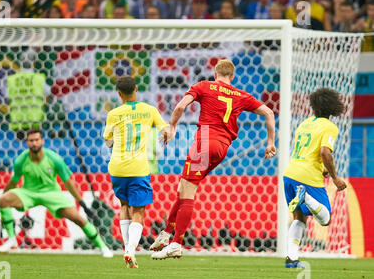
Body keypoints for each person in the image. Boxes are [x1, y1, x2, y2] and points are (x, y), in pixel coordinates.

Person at [150, 59, 276, 259]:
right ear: (232, 77)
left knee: (188, 191)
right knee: (183, 188)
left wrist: (172, 127)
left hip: (205, 141)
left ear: (215, 74)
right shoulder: (241, 95)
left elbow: (181, 107)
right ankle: (166, 233)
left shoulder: (204, 86)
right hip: (223, 147)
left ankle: (176, 243)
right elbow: (269, 112)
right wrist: (270, 142)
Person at [0, 128, 113, 257]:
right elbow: (13, 182)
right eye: (31, 140)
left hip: (52, 194)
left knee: (78, 219)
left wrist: (82, 204)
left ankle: (103, 247)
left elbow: (68, 182)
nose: (34, 143)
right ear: (27, 142)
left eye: (36, 140)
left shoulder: (54, 158)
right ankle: (11, 240)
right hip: (28, 192)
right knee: (4, 200)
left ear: (42, 141)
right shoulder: (21, 160)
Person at [103, 76, 170, 268]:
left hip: (116, 168)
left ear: (119, 94)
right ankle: (131, 249)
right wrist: (166, 135)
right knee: (138, 212)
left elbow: (108, 141)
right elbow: (165, 129)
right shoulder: (149, 110)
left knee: (124, 206)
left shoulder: (113, 114)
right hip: (138, 168)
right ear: (136, 89)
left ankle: (126, 248)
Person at [283, 88, 346, 268]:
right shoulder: (330, 127)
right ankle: (306, 196)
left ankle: (292, 259)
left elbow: (308, 152)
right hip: (307, 177)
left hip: (290, 173)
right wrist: (335, 177)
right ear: (334, 106)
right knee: (325, 219)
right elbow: (325, 152)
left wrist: (323, 169)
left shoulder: (305, 123)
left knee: (299, 217)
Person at [6, 50, 49, 139]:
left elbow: (7, 99)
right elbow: (47, 96)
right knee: (34, 145)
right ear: (33, 63)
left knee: (20, 149)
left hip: (18, 121)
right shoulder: (39, 78)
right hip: (35, 120)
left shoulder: (12, 79)